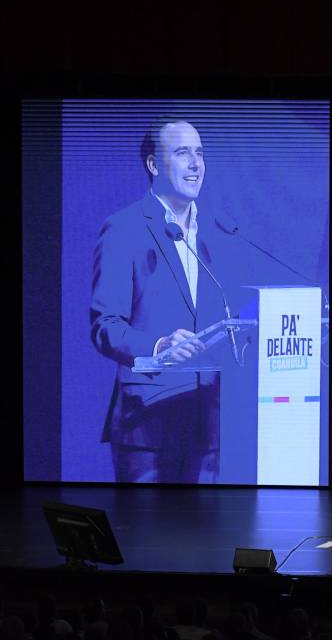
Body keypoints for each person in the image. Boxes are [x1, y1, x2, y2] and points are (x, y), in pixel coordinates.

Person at [91, 116, 242, 483]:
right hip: (147, 426)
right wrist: (158, 345)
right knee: (145, 539)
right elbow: (104, 327)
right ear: (154, 164)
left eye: (200, 153)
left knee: (205, 541)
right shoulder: (124, 228)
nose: (195, 164)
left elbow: (232, 320)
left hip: (208, 426)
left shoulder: (218, 233)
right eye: (182, 153)